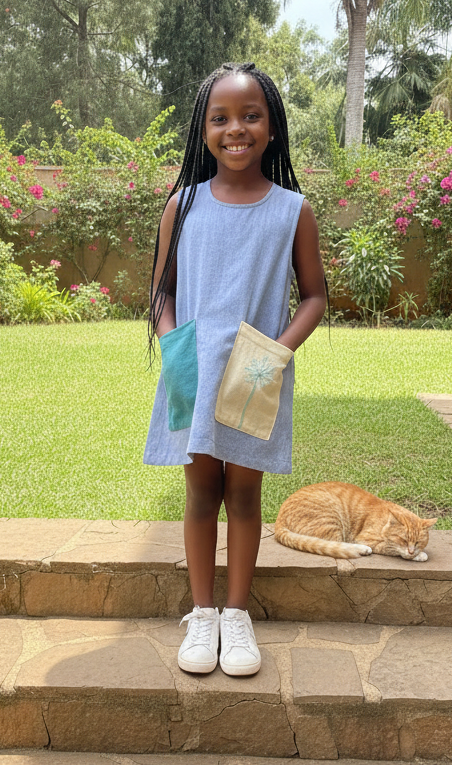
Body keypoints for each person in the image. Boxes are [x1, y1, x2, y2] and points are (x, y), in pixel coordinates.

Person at [143, 61, 328, 676]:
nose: (236, 129)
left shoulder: (291, 211)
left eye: (251, 116)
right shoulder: (183, 205)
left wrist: (276, 354)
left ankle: (237, 616)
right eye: (220, 118)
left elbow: (314, 297)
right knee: (201, 491)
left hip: (256, 367)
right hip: (190, 362)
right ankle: (202, 615)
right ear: (203, 130)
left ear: (271, 126)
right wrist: (174, 350)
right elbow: (162, 293)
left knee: (244, 494)